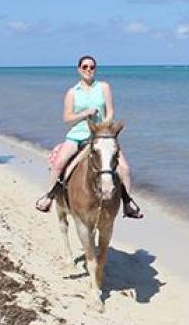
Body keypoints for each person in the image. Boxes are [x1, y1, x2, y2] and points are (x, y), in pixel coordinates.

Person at [34, 55, 143, 218]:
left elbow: (111, 111)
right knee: (59, 164)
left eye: (91, 67)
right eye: (85, 67)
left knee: (125, 169)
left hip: (102, 136)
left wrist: (104, 125)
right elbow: (67, 117)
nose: (88, 70)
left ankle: (127, 203)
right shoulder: (72, 92)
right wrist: (85, 113)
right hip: (77, 136)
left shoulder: (104, 87)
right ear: (79, 69)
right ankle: (49, 196)